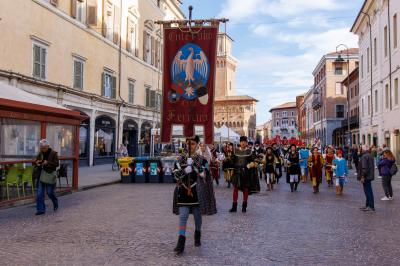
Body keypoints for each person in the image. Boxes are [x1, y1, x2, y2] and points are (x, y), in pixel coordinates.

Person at [172, 136, 217, 255]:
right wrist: (184, 171)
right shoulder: (180, 159)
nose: (189, 146)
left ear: (197, 145)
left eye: (192, 144)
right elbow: (175, 175)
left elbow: (205, 173)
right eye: (187, 144)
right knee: (183, 216)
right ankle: (181, 241)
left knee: (197, 217)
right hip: (184, 191)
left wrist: (195, 166)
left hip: (197, 192)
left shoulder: (202, 160)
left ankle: (197, 233)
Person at [34, 139, 59, 216]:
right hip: (41, 175)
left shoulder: (54, 153)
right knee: (39, 194)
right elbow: (36, 161)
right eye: (41, 147)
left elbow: (56, 164)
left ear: (48, 146)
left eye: (44, 147)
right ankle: (40, 210)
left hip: (49, 175)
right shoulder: (40, 153)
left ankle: (55, 201)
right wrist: (37, 163)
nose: (42, 149)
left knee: (49, 192)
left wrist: (47, 163)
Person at [229, 136, 253, 213]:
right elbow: (232, 161)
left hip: (245, 173)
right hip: (237, 172)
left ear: (246, 143)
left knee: (245, 190)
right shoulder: (235, 151)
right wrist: (227, 160)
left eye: (244, 141)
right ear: (240, 142)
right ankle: (234, 207)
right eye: (241, 141)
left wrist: (248, 166)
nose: (243, 143)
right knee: (235, 189)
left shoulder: (249, 152)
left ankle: (244, 207)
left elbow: (253, 161)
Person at [358, 145, 375, 212]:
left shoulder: (364, 156)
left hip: (366, 176)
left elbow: (364, 168)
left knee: (368, 192)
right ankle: (368, 205)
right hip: (369, 175)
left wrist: (362, 176)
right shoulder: (370, 155)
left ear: (364, 150)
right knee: (368, 191)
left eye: (361, 149)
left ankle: (371, 206)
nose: (361, 150)